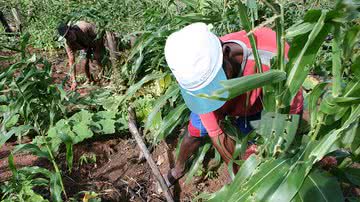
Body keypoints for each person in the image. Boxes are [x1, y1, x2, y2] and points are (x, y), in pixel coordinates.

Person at [163, 22, 303, 186]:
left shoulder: (272, 56)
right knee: (194, 132)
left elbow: (288, 113)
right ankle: (178, 169)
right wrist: (236, 172)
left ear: (226, 52)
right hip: (218, 102)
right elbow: (218, 135)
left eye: (215, 84)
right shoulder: (200, 78)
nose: (214, 99)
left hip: (253, 108)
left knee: (248, 141)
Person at [58, 21, 105, 90]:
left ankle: (103, 77)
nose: (69, 37)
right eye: (66, 37)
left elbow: (99, 35)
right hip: (84, 47)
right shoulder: (68, 44)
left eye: (69, 34)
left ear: (71, 29)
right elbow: (71, 61)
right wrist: (74, 81)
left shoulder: (84, 27)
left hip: (95, 40)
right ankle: (90, 79)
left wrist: (96, 50)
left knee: (97, 58)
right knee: (84, 63)